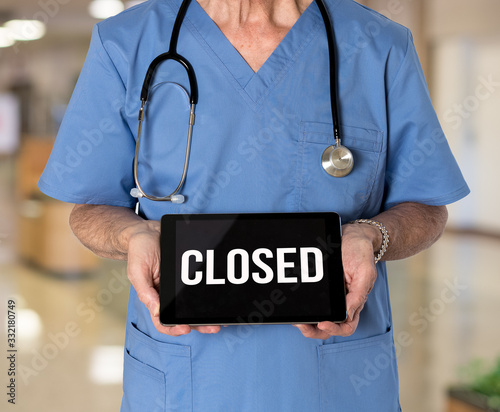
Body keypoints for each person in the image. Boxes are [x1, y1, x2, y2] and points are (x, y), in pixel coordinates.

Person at [39, 0, 469, 410]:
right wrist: (132, 234)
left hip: (337, 380)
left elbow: (427, 204)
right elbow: (89, 207)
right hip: (185, 380)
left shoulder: (379, 46)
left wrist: (373, 236)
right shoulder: (125, 43)